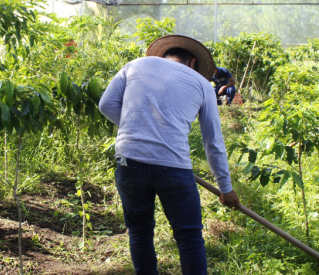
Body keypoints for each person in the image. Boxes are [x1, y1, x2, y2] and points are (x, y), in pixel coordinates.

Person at [98, 35, 240, 275]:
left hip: (128, 161)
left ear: (163, 55)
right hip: (173, 169)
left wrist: (136, 127)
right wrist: (225, 188)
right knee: (189, 237)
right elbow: (213, 142)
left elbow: (106, 105)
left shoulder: (134, 65)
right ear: (193, 62)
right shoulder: (203, 84)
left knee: (140, 232)